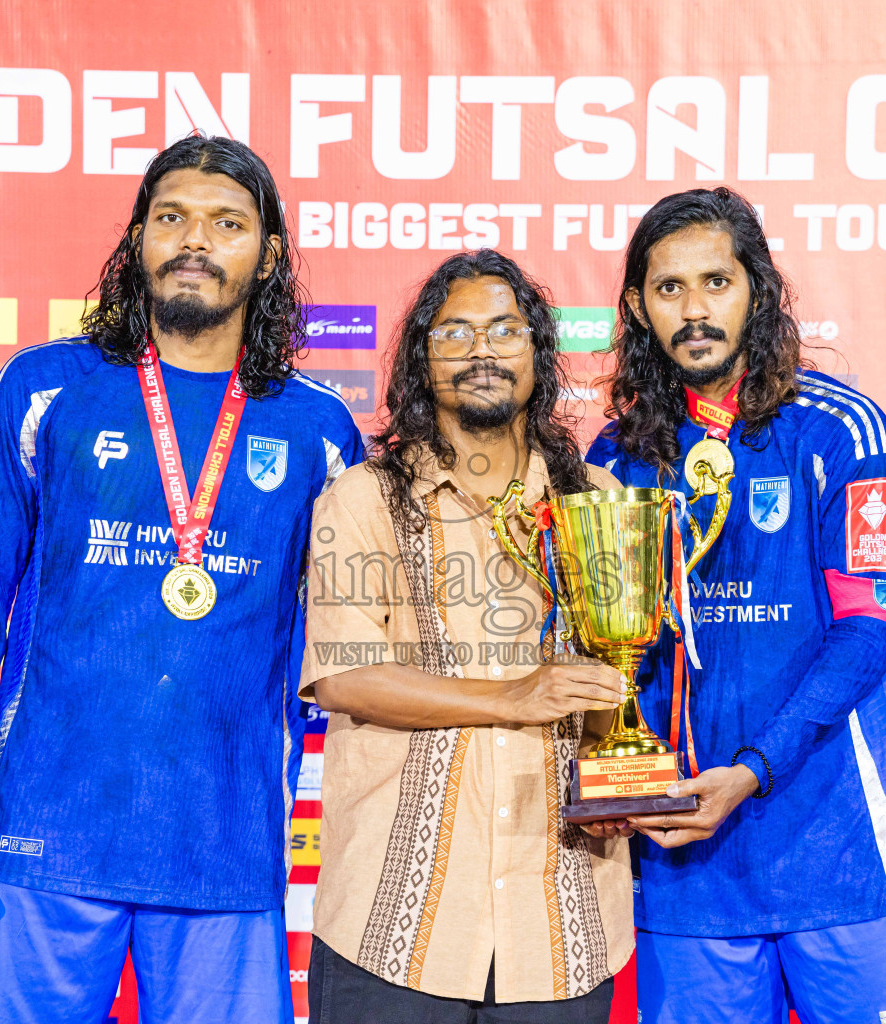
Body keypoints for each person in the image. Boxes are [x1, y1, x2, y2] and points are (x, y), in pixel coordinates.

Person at [0, 134, 363, 1024]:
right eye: (172, 218)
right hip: (34, 836)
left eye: (226, 223)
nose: (195, 240)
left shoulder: (320, 430)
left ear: (266, 256)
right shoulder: (46, 388)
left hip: (223, 842)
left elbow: (349, 642)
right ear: (138, 239)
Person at [584, 187, 886, 1024]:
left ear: (757, 289)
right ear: (638, 306)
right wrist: (619, 777)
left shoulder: (842, 431)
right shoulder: (618, 455)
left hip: (840, 855)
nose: (694, 310)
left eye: (715, 281)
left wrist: (751, 769)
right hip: (686, 862)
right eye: (668, 289)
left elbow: (867, 632)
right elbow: (606, 652)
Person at [300, 250, 632, 1023]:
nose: (481, 350)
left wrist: (627, 779)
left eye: (503, 330)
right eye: (454, 332)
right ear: (422, 358)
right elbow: (345, 677)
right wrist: (515, 698)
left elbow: (623, 679)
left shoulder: (598, 501)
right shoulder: (363, 498)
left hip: (562, 926)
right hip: (393, 923)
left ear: (537, 352)